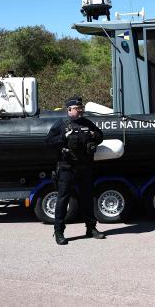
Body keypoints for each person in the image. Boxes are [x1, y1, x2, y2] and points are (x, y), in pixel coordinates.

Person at [46, 96, 105, 245]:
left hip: (85, 167)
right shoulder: (61, 124)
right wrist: (63, 137)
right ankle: (59, 232)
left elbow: (101, 136)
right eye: (77, 109)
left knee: (87, 198)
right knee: (63, 199)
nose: (80, 111)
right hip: (67, 167)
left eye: (81, 108)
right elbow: (48, 142)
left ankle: (91, 229)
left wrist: (94, 135)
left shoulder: (87, 123)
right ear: (69, 110)